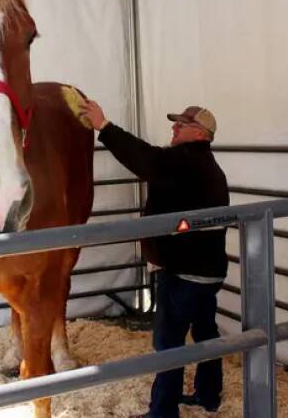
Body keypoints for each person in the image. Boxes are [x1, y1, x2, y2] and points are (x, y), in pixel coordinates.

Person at [79, 101, 229, 418]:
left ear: (200, 134)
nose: (173, 128)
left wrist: (104, 127)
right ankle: (208, 394)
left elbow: (147, 160)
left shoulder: (187, 161)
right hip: (208, 269)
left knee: (168, 339)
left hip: (186, 271)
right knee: (205, 331)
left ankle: (162, 412)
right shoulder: (206, 165)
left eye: (181, 125)